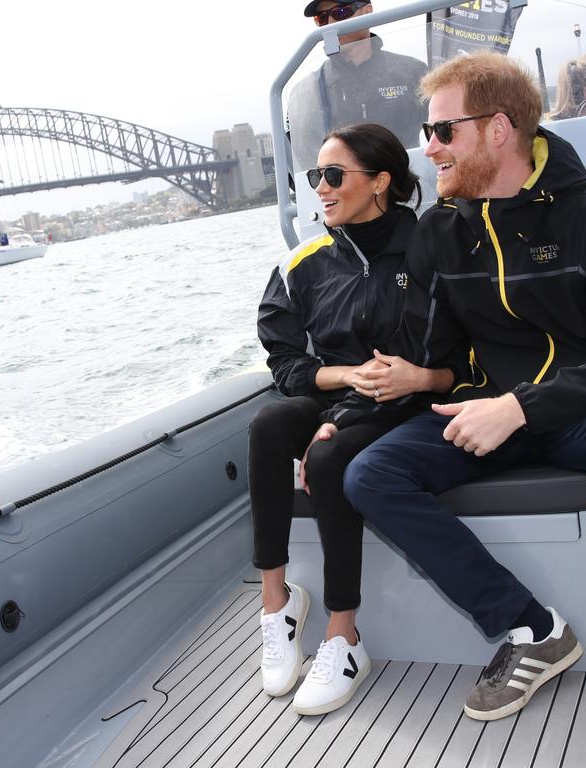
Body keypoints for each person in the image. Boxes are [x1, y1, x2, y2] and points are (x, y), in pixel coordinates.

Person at [342, 52, 586, 767]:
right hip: (489, 414)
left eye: (442, 130)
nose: (428, 147)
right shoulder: (441, 230)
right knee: (370, 472)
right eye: (426, 132)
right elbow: (432, 356)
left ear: (499, 129)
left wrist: (521, 408)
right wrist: (361, 402)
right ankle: (532, 630)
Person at [253, 123, 461, 716]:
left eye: (334, 175)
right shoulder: (308, 263)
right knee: (269, 426)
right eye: (316, 176)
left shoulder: (429, 249)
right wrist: (344, 383)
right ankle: (277, 604)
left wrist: (345, 415)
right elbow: (288, 363)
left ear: (381, 183)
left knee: (326, 453)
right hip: (345, 389)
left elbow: (448, 354)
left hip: (411, 398)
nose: (321, 188)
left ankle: (343, 635)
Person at [287, 1, 429, 170]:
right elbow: (298, 164)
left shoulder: (412, 72)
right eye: (322, 18)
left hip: (409, 188)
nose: (330, 24)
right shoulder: (305, 93)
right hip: (343, 194)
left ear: (367, 11)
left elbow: (444, 134)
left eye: (340, 12)